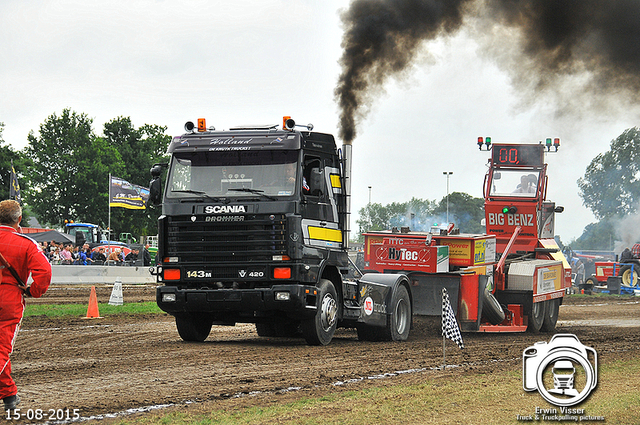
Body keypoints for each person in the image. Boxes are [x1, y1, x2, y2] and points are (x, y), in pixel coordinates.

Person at [0, 200, 51, 410]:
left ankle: (9, 394)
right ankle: (9, 395)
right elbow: (45, 272)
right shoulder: (26, 243)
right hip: (9, 298)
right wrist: (33, 291)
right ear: (19, 219)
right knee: (2, 347)